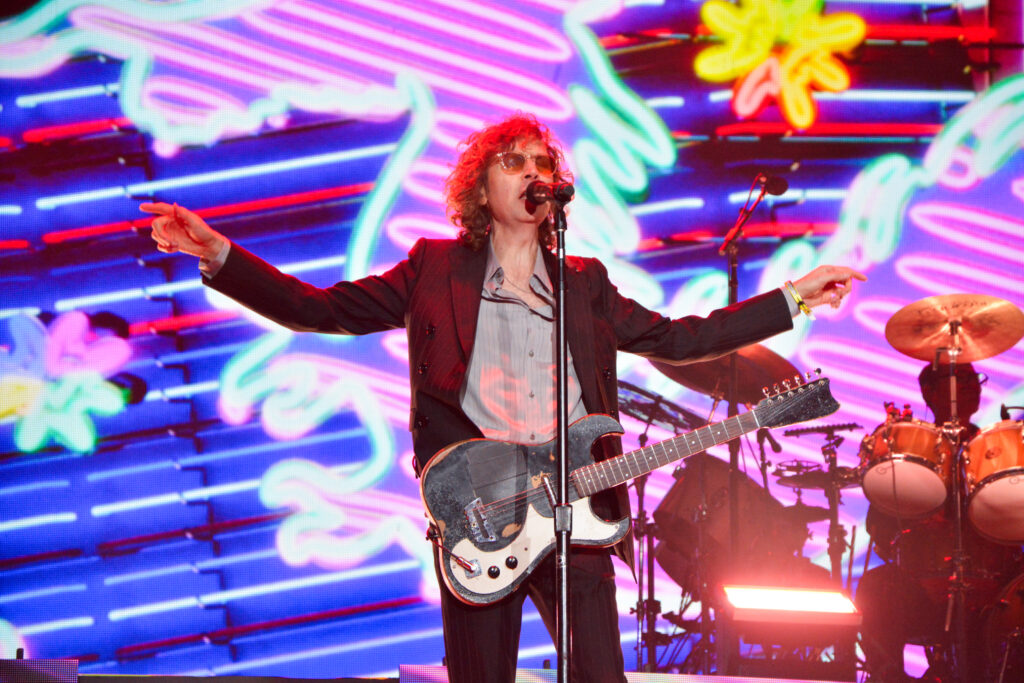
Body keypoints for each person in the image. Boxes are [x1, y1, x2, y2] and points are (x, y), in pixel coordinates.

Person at [141, 112, 866, 682]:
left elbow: (679, 338)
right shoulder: (433, 269)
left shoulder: (584, 283)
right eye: (511, 161)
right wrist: (219, 256)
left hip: (577, 514)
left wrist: (792, 297)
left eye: (542, 162)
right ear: (479, 189)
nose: (532, 172)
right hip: (482, 513)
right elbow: (322, 309)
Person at [856, 363, 1023, 682]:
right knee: (875, 587)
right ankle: (890, 677)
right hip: (920, 584)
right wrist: (913, 516)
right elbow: (879, 530)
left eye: (976, 380)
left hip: (996, 584)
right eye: (962, 380)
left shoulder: (997, 447)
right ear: (929, 393)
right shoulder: (911, 446)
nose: (974, 387)